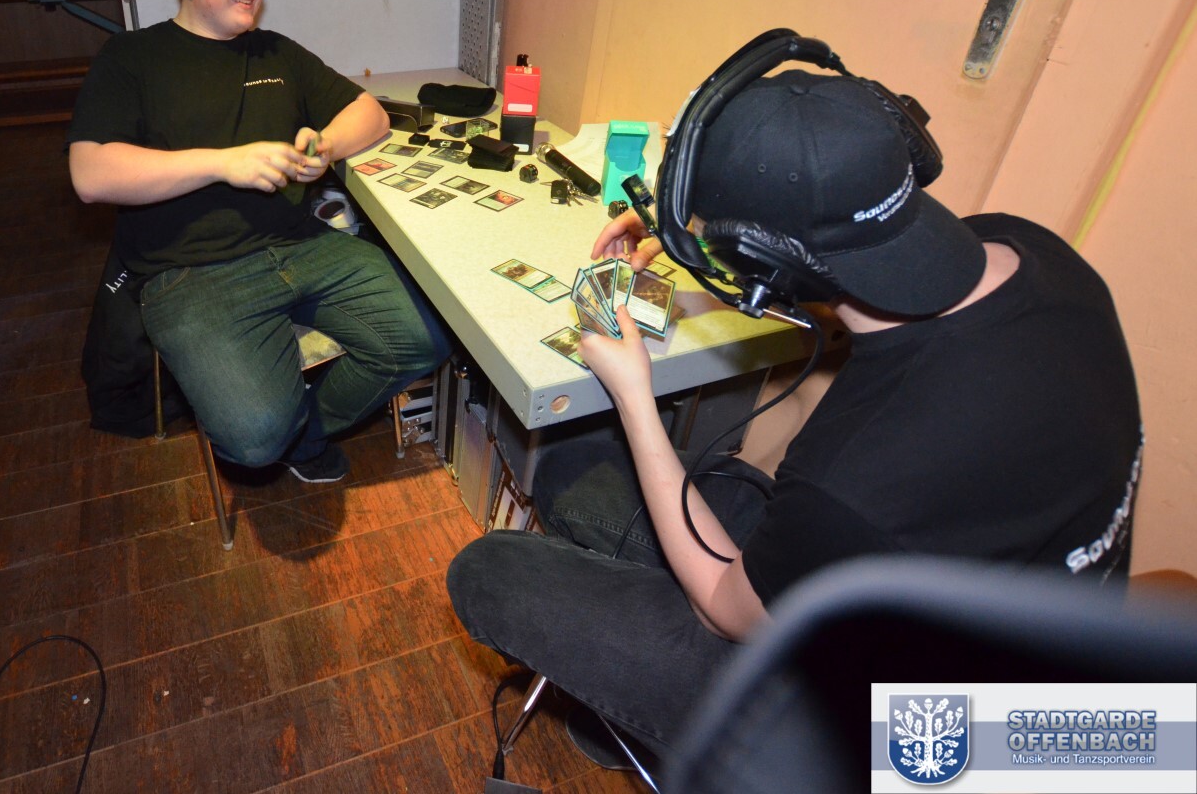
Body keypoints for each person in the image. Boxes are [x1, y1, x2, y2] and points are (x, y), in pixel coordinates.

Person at [446, 65, 1143, 752]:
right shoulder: (1032, 252)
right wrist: (701, 252)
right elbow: (860, 276)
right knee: (570, 468)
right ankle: (628, 703)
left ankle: (667, 723)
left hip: (919, 729)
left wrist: (633, 396)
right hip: (984, 617)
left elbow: (724, 609)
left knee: (487, 572)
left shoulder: (861, 477)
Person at [68, 0, 448, 481]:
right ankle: (280, 430)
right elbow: (90, 174)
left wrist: (323, 147)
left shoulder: (275, 52)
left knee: (428, 339)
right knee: (253, 439)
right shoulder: (132, 57)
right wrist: (223, 164)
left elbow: (371, 114)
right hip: (191, 274)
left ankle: (303, 435)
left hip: (304, 246)